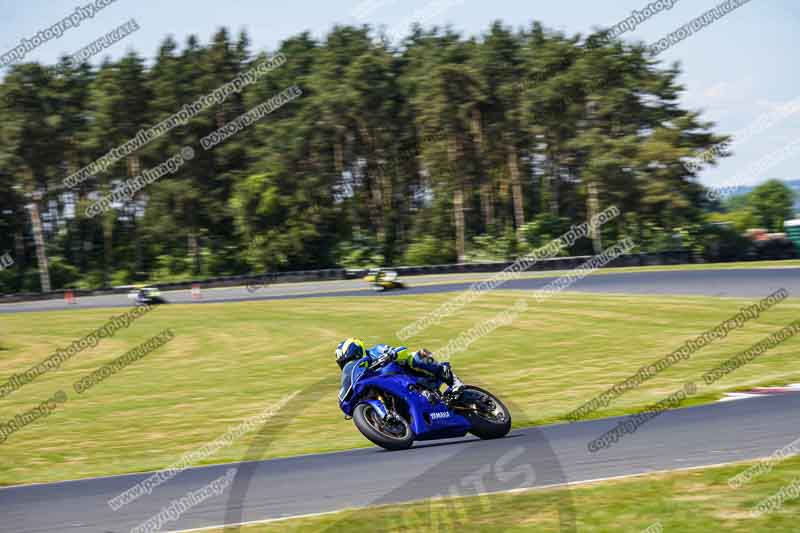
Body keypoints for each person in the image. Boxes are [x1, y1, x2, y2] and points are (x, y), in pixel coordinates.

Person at [335, 337, 464, 395]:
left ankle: (451, 379)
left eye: (349, 360)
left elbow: (402, 351)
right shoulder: (358, 374)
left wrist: (391, 354)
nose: (349, 364)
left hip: (410, 376)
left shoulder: (376, 350)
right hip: (395, 388)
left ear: (357, 351)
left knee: (415, 357)